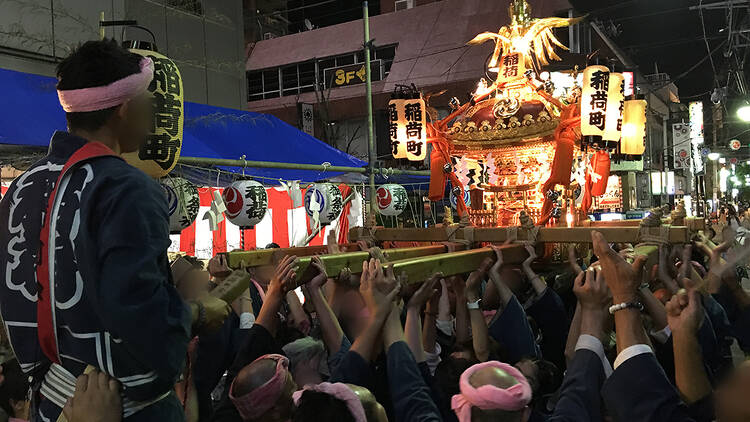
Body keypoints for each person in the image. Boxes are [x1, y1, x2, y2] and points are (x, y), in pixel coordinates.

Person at [0, 39, 228, 420]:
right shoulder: (126, 187)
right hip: (126, 408)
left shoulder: (23, 187)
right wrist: (197, 314)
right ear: (125, 109)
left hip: (50, 402)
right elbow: (142, 316)